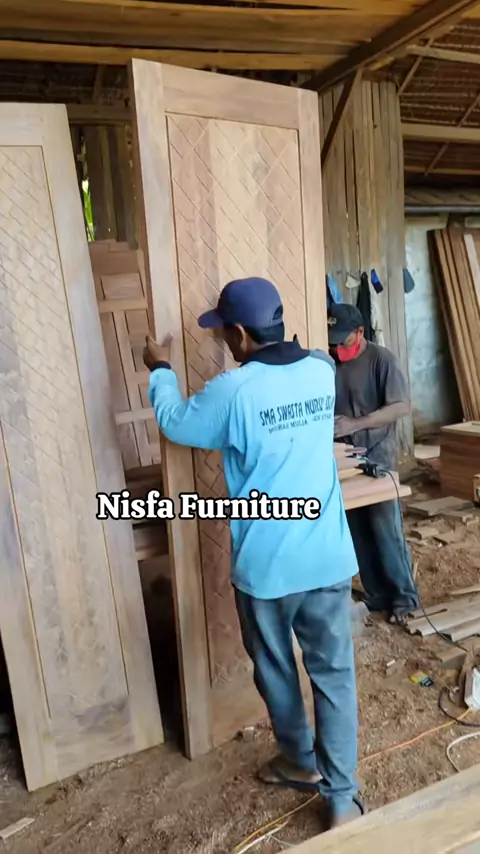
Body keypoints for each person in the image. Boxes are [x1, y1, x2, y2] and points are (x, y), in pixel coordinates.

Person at [143, 277, 364, 829]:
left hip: (268, 571)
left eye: (225, 333)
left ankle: (299, 760)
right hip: (328, 558)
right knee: (334, 676)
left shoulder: (233, 391)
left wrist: (160, 367)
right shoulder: (321, 370)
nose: (224, 342)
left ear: (240, 334)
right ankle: (342, 800)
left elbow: (175, 422)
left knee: (275, 669)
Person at [327, 303, 418, 624]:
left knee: (385, 531)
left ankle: (405, 598)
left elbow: (401, 406)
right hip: (345, 462)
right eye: (333, 341)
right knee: (357, 530)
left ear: (360, 332)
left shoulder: (382, 360)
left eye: (343, 340)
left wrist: (356, 423)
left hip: (377, 456)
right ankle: (377, 593)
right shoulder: (329, 362)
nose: (337, 348)